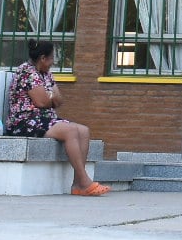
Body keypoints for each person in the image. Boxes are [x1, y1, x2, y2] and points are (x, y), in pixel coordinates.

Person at [6, 39, 108, 196]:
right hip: (24, 120)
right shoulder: (26, 71)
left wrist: (50, 97)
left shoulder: (46, 74)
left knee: (84, 131)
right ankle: (85, 181)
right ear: (42, 58)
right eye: (52, 58)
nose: (53, 62)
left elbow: (59, 100)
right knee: (71, 131)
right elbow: (41, 102)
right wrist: (50, 98)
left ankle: (78, 184)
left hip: (45, 118)